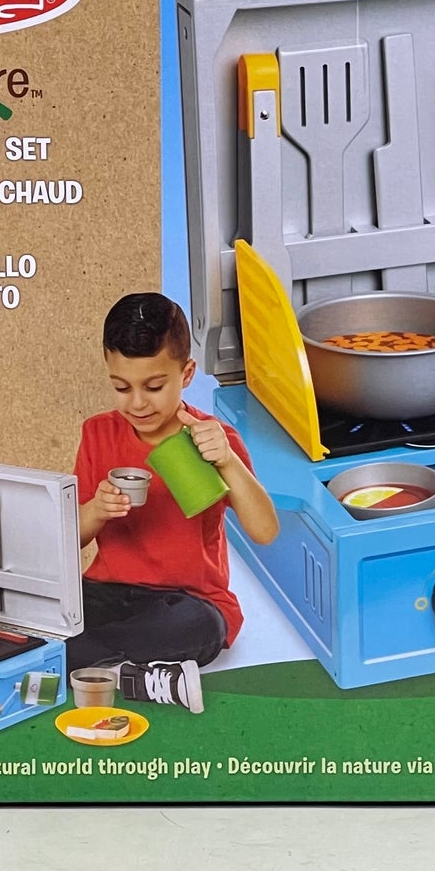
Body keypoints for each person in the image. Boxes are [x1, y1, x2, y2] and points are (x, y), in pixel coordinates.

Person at [70, 293, 279, 712]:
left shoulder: (211, 438)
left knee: (197, 626)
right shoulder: (98, 433)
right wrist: (95, 510)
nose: (137, 403)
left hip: (188, 599)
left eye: (154, 386)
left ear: (186, 374)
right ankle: (133, 671)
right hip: (106, 592)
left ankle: (86, 659)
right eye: (121, 387)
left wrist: (228, 461)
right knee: (54, 610)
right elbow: (71, 539)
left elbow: (265, 531)